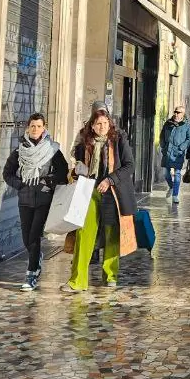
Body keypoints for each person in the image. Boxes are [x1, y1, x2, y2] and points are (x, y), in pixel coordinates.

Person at [64, 103, 137, 293]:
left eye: (105, 123)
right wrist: (76, 172)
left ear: (109, 122)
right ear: (92, 124)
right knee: (83, 234)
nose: (102, 127)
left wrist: (111, 180)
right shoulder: (84, 139)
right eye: (98, 124)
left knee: (112, 233)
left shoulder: (119, 138)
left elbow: (129, 166)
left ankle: (110, 274)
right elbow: (77, 163)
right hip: (88, 190)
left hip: (113, 192)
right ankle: (77, 280)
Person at [2, 112, 69, 290]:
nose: (35, 129)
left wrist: (49, 181)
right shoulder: (19, 151)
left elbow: (63, 172)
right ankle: (36, 257)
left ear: (44, 128)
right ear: (28, 128)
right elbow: (7, 173)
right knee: (26, 238)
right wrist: (20, 185)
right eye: (33, 126)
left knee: (34, 236)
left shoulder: (52, 150)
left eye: (39, 126)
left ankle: (31, 274)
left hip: (44, 198)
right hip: (24, 199)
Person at [159, 106, 190, 204]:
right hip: (167, 152)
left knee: (177, 174)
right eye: (175, 112)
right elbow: (162, 135)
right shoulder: (168, 123)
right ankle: (171, 186)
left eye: (178, 112)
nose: (176, 114)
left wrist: (182, 147)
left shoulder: (186, 125)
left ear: (183, 114)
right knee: (166, 172)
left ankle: (175, 195)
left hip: (178, 153)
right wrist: (163, 145)